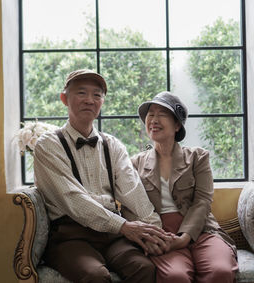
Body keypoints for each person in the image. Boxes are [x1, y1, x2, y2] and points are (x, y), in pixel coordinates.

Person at [33, 69, 173, 283]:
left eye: (97, 95)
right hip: (70, 237)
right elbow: (73, 200)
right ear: (64, 98)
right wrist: (124, 226)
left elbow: (133, 191)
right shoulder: (48, 145)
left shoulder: (113, 145)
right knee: (95, 276)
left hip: (112, 236)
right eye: (81, 93)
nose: (90, 100)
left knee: (144, 269)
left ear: (102, 102)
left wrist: (155, 231)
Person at [131, 91, 239, 283]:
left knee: (220, 271)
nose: (154, 120)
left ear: (177, 125)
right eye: (150, 114)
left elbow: (203, 201)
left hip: (202, 230)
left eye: (161, 114)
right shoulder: (134, 163)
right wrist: (149, 238)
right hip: (160, 234)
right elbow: (130, 206)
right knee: (175, 277)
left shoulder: (198, 157)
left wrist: (184, 237)